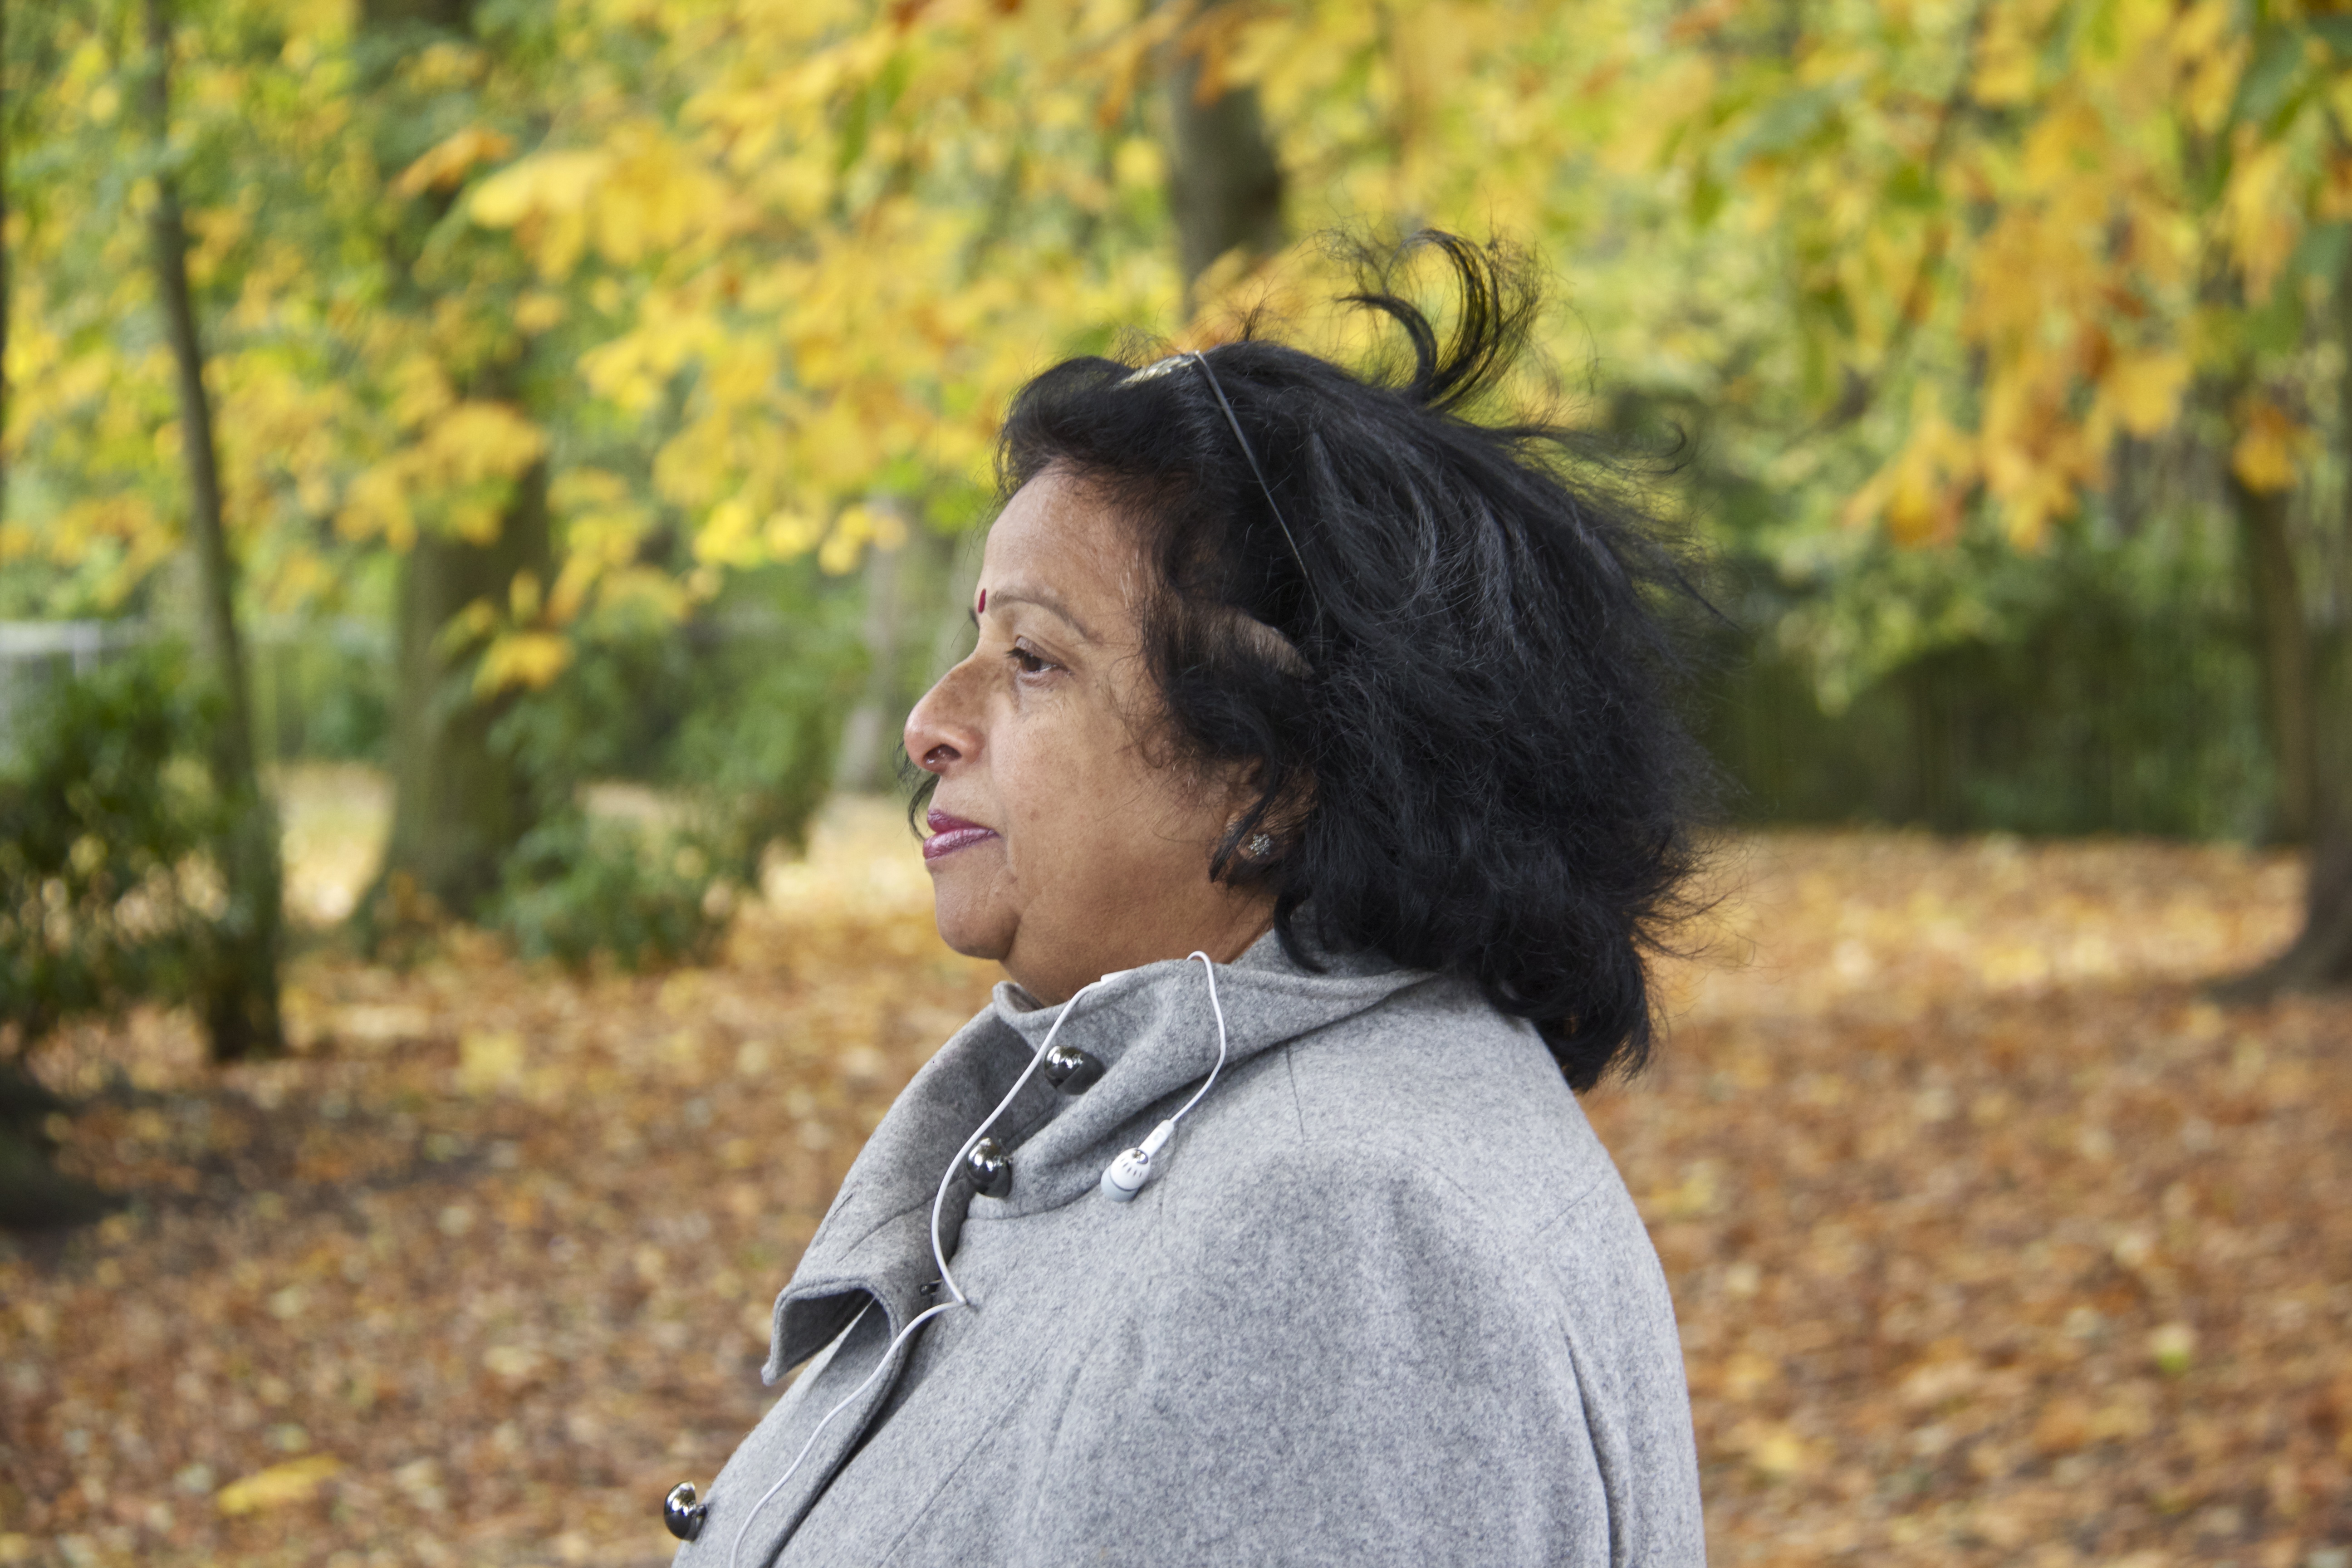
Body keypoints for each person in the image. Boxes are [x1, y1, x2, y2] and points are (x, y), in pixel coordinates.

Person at [664, 233, 1710, 1567]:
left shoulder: (1331, 1238)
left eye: (1033, 659)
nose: (931, 723)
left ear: (1274, 776)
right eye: (976, 642)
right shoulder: (1284, 1129)